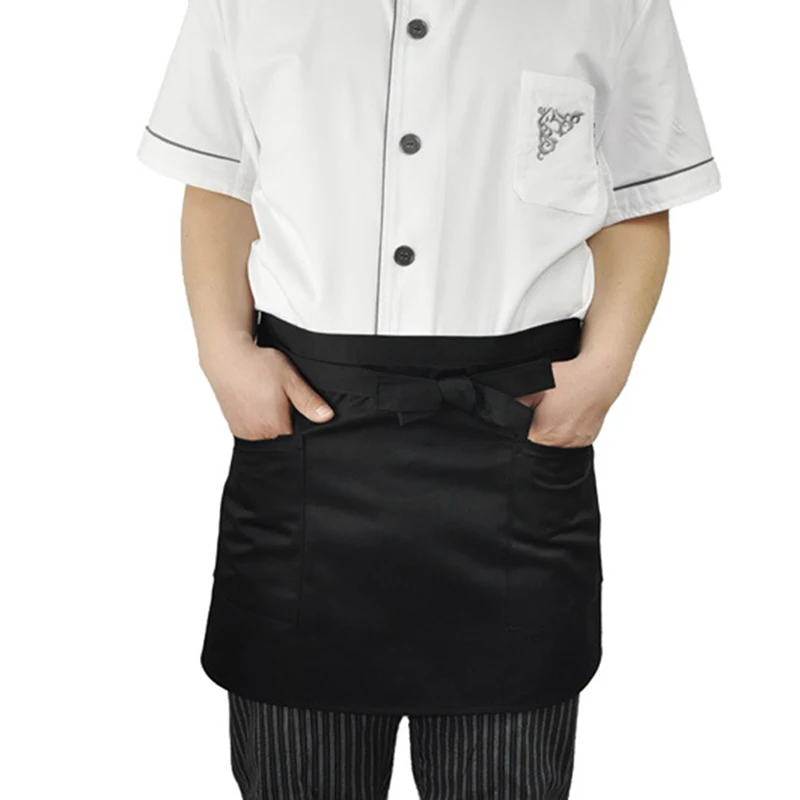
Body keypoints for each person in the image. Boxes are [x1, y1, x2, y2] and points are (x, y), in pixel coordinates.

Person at [137, 0, 721, 797]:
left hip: (513, 435)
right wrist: (224, 353)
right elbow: (220, 186)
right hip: (309, 441)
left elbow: (636, 200)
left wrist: (605, 370)